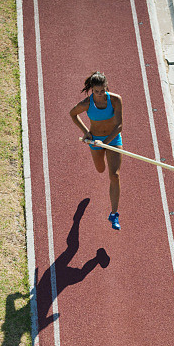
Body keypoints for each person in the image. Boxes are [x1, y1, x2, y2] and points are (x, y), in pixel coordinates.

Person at [70, 71, 123, 231]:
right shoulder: (87, 103)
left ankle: (114, 214)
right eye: (96, 91)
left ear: (107, 87)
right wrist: (86, 132)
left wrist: (105, 143)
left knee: (114, 175)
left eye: (102, 90)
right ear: (91, 89)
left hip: (112, 139)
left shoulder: (115, 100)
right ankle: (77, 218)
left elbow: (119, 126)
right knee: (100, 169)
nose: (100, 94)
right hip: (95, 140)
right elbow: (73, 114)